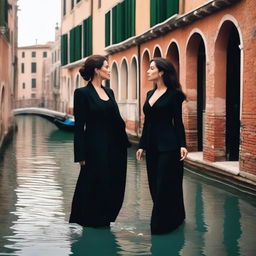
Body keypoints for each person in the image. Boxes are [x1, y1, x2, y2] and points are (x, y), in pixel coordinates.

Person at [69, 55, 130, 228]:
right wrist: (80, 154)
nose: (109, 70)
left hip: (114, 147)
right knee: (94, 184)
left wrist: (125, 144)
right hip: (94, 147)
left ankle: (106, 218)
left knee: (114, 183)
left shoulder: (109, 92)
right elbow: (79, 126)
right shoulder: (82, 93)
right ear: (96, 70)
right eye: (106, 67)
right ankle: (90, 220)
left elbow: (116, 119)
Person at [136, 57, 188, 235]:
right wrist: (142, 145)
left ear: (162, 72)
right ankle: (174, 217)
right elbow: (147, 122)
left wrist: (183, 144)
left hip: (169, 147)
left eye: (151, 68)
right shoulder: (149, 95)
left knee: (165, 185)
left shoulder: (174, 95)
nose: (148, 71)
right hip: (151, 146)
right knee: (153, 185)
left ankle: (160, 225)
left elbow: (178, 122)